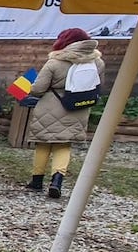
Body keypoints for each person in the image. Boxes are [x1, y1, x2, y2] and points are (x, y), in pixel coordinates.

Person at [23, 27, 105, 199]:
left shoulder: (54, 62)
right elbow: (98, 85)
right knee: (64, 145)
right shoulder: (97, 62)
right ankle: (57, 181)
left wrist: (26, 86)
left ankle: (36, 181)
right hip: (78, 107)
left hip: (51, 106)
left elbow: (38, 89)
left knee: (43, 143)